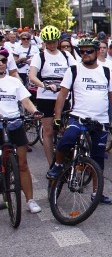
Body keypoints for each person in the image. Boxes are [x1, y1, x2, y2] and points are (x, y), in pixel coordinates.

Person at [47, 38, 112, 205]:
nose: (85, 54)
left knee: (98, 159)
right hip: (78, 117)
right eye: (82, 51)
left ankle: (97, 193)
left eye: (89, 51)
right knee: (66, 141)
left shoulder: (105, 71)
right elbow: (62, 95)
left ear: (97, 52)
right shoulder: (73, 70)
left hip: (100, 121)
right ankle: (58, 165)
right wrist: (57, 118)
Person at [0, 48, 43, 213]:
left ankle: (30, 200)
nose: (1, 64)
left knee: (23, 164)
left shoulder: (14, 81)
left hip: (14, 123)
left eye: (3, 61)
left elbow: (25, 101)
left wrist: (35, 111)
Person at [28, 25, 74, 167]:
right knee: (48, 131)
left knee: (62, 129)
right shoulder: (39, 56)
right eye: (48, 42)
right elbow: (32, 76)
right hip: (45, 97)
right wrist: (45, 85)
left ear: (58, 41)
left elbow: (77, 71)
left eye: (54, 42)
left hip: (63, 97)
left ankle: (62, 159)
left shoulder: (66, 55)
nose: (51, 45)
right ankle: (51, 165)